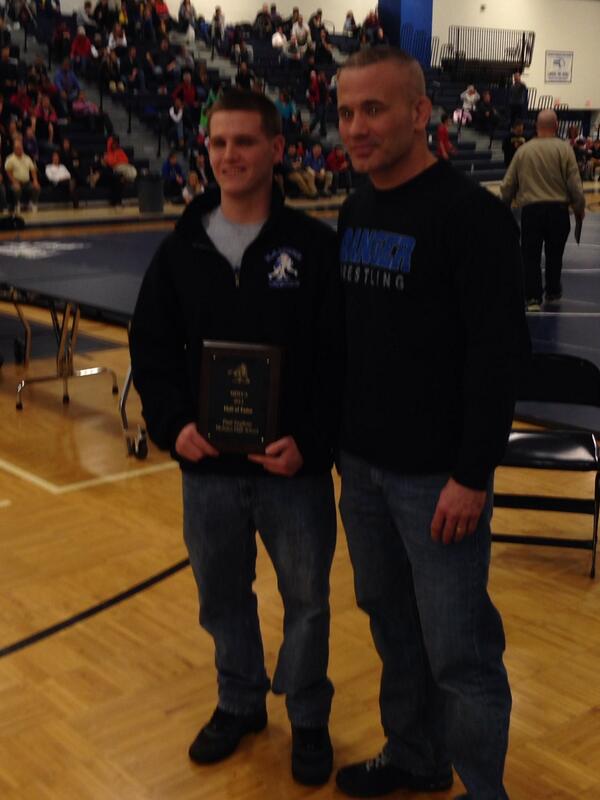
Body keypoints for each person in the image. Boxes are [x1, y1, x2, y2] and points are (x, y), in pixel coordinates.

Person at [129, 88, 342, 788]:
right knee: (221, 597)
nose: (228, 155)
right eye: (218, 142)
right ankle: (240, 701)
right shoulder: (181, 250)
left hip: (293, 471)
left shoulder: (314, 248)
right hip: (208, 471)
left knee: (307, 603)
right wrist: (172, 425)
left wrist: (311, 440)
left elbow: (340, 358)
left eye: (244, 141)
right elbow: (151, 348)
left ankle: (307, 714)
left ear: (276, 149)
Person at [335, 45, 529, 800]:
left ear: (420, 113)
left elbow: (498, 358)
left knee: (460, 651)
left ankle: (484, 789)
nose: (356, 127)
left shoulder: (471, 217)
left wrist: (472, 475)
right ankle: (415, 755)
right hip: (363, 472)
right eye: (346, 112)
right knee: (391, 624)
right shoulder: (355, 209)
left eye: (373, 109)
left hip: (438, 482)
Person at [500, 109, 585, 311]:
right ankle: (553, 291)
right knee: (555, 254)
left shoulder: (524, 151)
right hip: (558, 211)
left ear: (536, 126)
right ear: (556, 126)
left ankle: (532, 297)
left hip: (531, 211)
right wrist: (579, 207)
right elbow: (575, 183)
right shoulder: (565, 149)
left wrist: (503, 206)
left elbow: (508, 184)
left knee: (530, 255)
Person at [5, 136, 41, 212]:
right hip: (15, 181)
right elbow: (8, 172)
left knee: (37, 188)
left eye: (21, 148)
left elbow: (33, 170)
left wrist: (35, 180)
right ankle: (16, 204)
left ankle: (33, 203)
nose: (20, 150)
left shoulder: (27, 158)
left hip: (27, 182)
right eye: (18, 148)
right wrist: (14, 182)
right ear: (14, 149)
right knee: (16, 189)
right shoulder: (10, 158)